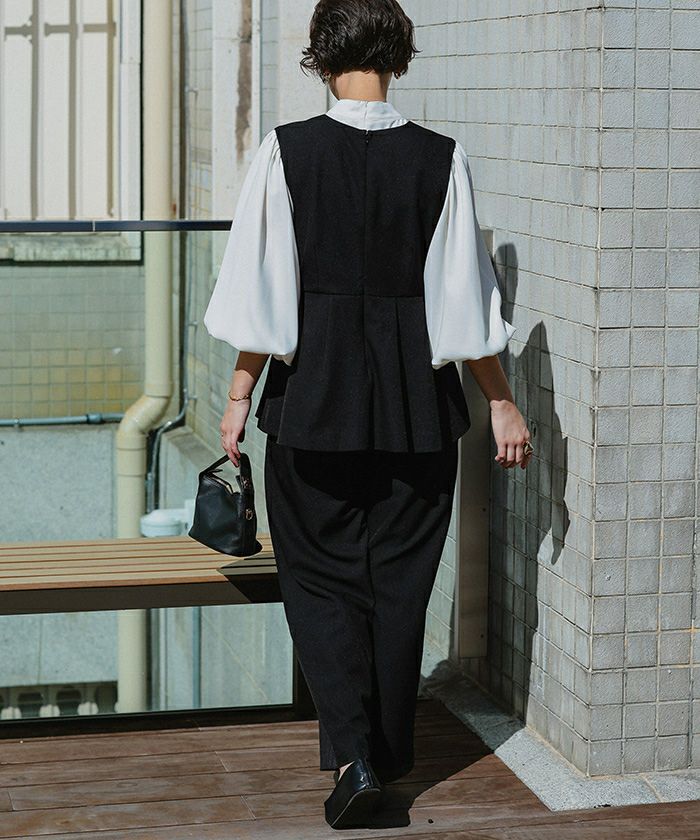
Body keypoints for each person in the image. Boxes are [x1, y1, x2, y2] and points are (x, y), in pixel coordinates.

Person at [203, 0, 533, 829]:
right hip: (417, 413)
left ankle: (354, 759)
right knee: (400, 585)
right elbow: (463, 306)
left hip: (311, 405)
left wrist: (238, 398)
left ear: (320, 58)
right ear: (399, 57)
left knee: (318, 582)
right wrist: (502, 401)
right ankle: (383, 757)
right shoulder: (440, 158)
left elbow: (261, 298)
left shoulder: (286, 151)